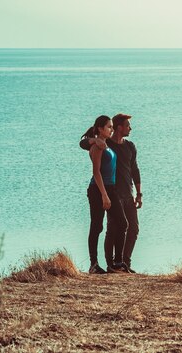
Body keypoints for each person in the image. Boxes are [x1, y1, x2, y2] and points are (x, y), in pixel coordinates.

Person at [80, 113, 142, 273]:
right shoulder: (101, 145)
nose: (111, 129)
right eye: (109, 127)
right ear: (100, 129)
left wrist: (138, 192)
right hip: (100, 190)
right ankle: (96, 264)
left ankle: (119, 263)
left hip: (114, 189)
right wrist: (104, 195)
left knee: (125, 225)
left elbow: (135, 169)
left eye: (112, 127)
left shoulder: (116, 146)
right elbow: (95, 170)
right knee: (98, 226)